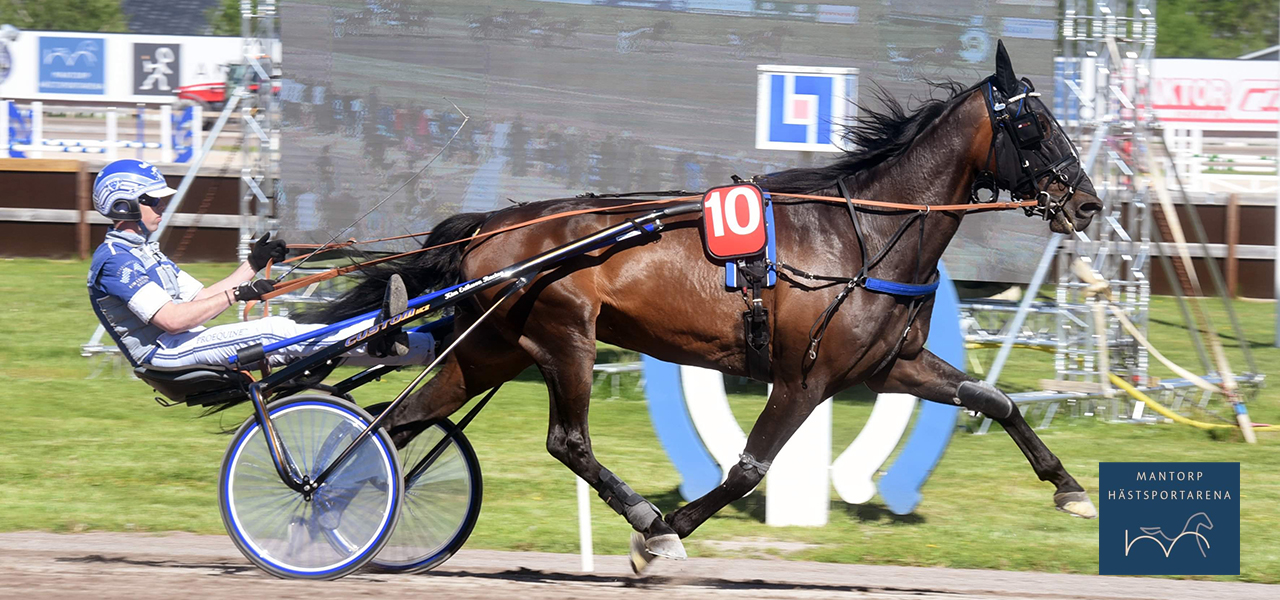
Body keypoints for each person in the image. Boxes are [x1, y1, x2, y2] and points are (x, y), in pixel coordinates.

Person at [86, 158, 432, 371]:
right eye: (153, 201)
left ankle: (425, 345)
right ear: (123, 204)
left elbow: (200, 297)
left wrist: (253, 264)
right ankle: (375, 334)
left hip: (184, 342)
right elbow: (174, 320)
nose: (161, 208)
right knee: (274, 331)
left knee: (287, 327)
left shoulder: (145, 251)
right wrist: (238, 294)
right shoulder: (116, 263)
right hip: (166, 354)